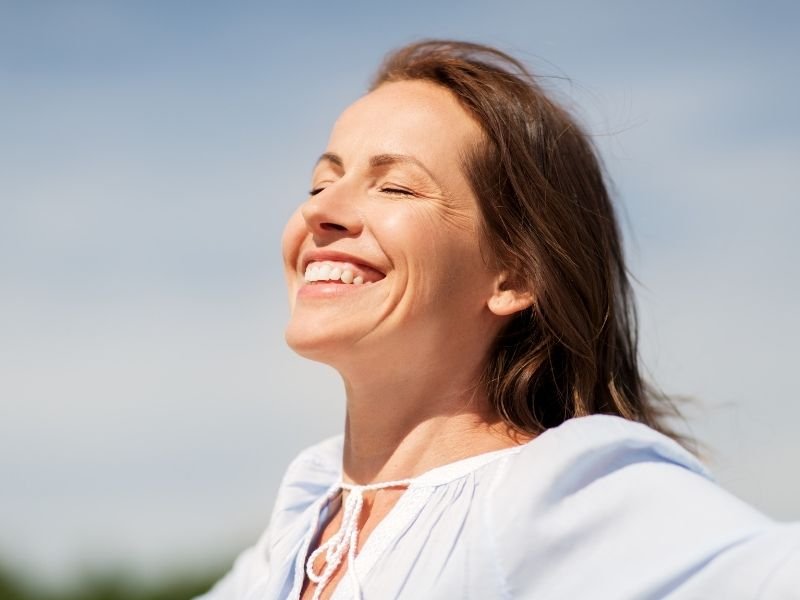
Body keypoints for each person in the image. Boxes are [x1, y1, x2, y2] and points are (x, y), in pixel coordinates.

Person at [196, 40, 799, 599]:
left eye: (396, 188)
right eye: (320, 183)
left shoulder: (550, 493)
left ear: (514, 275)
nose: (320, 210)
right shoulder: (304, 516)